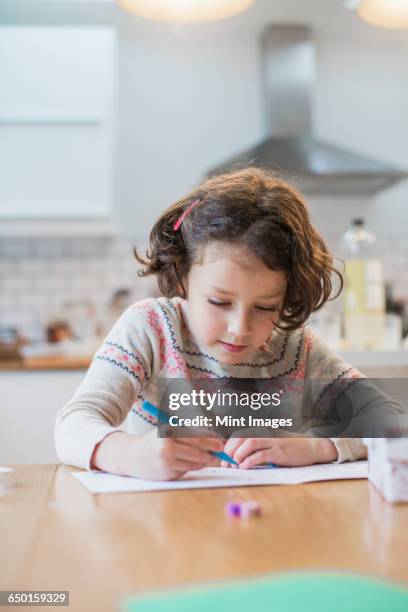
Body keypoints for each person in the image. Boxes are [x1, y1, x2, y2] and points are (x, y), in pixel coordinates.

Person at [55, 168, 378, 480]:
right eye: (219, 302)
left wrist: (316, 446)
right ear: (183, 274)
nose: (240, 328)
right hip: (162, 524)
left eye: (265, 307)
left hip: (272, 523)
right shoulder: (150, 328)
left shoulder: (295, 348)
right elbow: (74, 424)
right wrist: (130, 453)